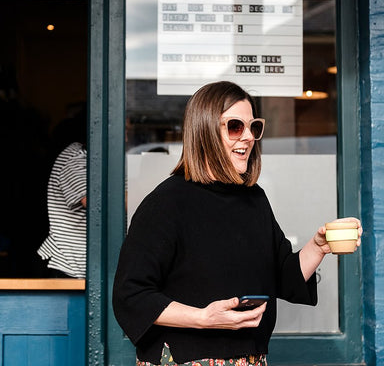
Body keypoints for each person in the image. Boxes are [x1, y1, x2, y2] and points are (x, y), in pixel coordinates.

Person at [112, 81, 362, 366]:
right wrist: (204, 318)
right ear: (204, 131)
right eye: (234, 126)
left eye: (253, 127)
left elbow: (282, 278)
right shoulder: (167, 203)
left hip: (251, 359)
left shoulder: (254, 199)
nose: (247, 137)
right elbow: (130, 294)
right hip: (185, 360)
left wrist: (319, 247)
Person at [37, 105, 87, 278]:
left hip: (78, 263)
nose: (125, 137)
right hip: (71, 266)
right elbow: (95, 202)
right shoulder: (75, 158)